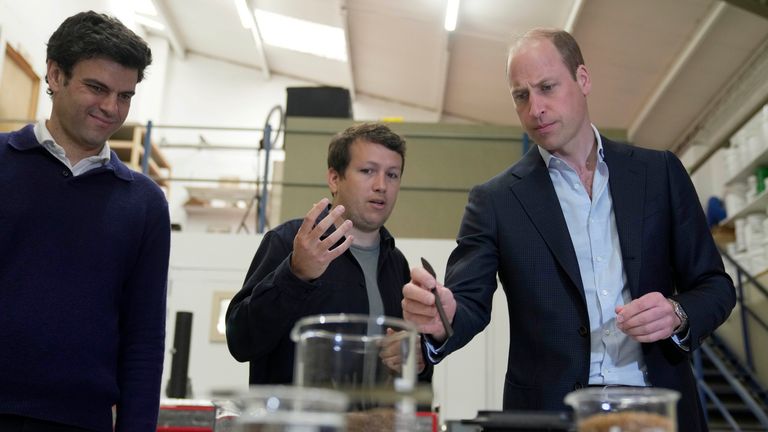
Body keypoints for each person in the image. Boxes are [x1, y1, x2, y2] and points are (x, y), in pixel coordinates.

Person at [402, 28, 735, 432]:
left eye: (547, 87)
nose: (535, 108)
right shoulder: (495, 200)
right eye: (521, 96)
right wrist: (445, 316)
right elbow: (467, 302)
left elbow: (715, 286)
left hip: (657, 409)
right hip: (553, 416)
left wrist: (678, 314)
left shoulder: (658, 173)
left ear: (583, 79)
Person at [0, 11, 170, 432]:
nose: (112, 108)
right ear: (55, 75)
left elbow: (144, 339)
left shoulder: (145, 203)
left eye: (125, 96)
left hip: (83, 422)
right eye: (97, 88)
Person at [226, 122, 429, 385]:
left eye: (392, 175)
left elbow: (408, 365)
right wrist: (295, 274)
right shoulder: (288, 241)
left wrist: (419, 360)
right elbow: (241, 341)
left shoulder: (396, 263)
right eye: (367, 171)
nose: (382, 185)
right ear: (334, 178)